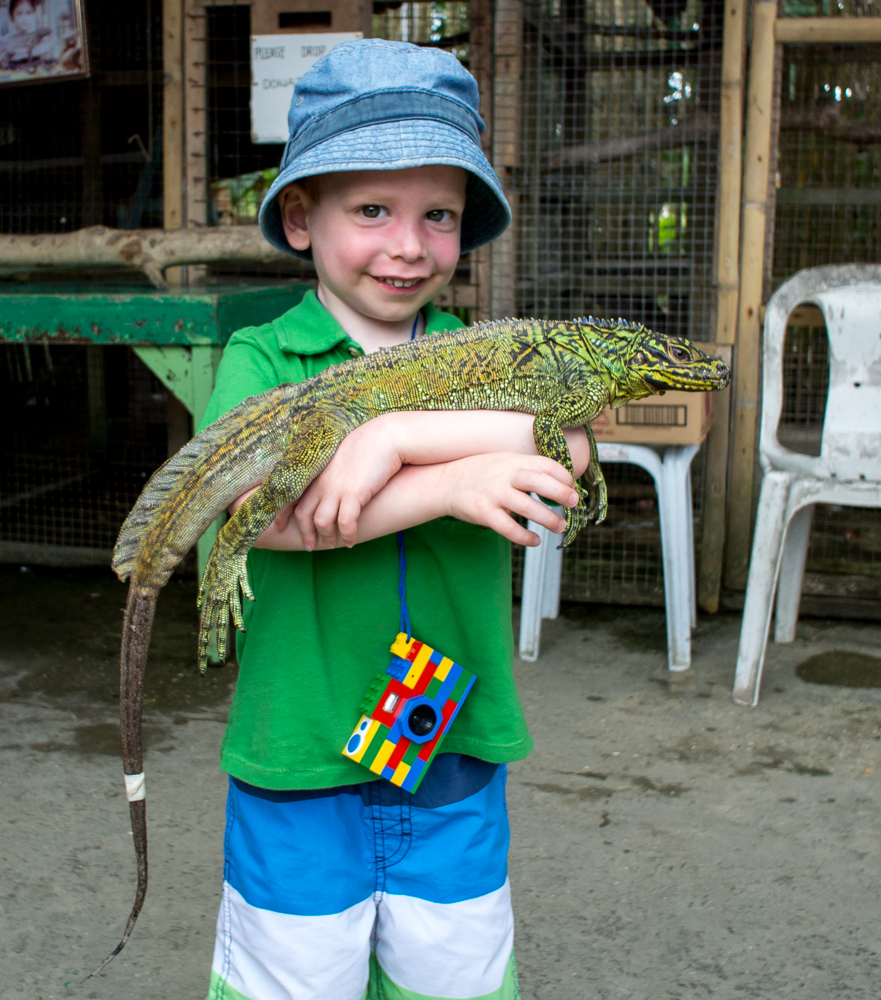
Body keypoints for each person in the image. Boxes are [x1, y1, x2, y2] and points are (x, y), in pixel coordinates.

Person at [200, 39, 590, 1000]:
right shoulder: (262, 358)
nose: (409, 245)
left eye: (439, 215)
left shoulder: (487, 356)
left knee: (449, 977)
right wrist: (448, 482)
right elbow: (254, 518)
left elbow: (572, 445)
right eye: (372, 210)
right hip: (302, 751)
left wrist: (394, 433)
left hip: (446, 739)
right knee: (293, 979)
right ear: (301, 217)